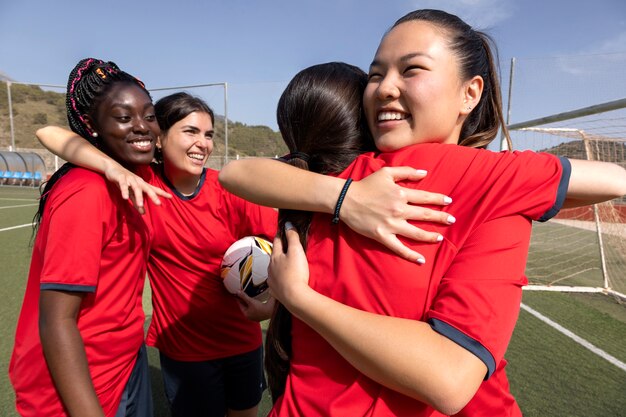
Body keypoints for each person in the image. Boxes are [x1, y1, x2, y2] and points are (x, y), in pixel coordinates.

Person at [217, 10, 626, 417]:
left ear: (470, 93)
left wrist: (300, 291)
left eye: (411, 69)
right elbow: (613, 178)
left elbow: (236, 172)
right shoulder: (490, 178)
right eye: (375, 75)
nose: (384, 88)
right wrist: (346, 198)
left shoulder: (322, 177)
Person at [38, 93, 285, 417]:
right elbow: (48, 134)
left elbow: (284, 248)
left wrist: (271, 306)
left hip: (242, 343)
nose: (203, 144)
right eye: (190, 132)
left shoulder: (228, 190)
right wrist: (112, 168)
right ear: (160, 137)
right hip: (184, 352)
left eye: (208, 134)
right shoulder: (143, 185)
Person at [9, 58, 160, 417]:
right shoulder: (87, 193)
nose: (141, 126)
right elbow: (57, 321)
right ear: (92, 126)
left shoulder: (140, 173)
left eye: (149, 115)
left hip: (123, 361)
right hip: (82, 381)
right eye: (124, 117)